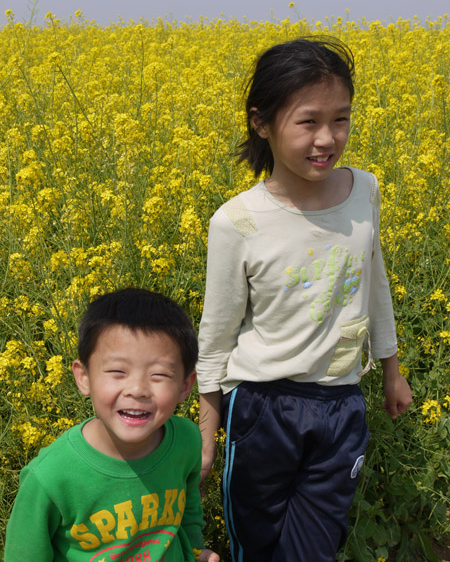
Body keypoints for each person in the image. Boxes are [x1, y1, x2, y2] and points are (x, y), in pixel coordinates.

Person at [196, 37, 412, 562]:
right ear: (261, 123)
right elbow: (217, 333)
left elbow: (373, 279)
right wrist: (208, 433)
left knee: (317, 547)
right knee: (260, 547)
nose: (328, 138)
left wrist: (392, 367)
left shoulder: (365, 190)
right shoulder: (237, 222)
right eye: (308, 121)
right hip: (262, 406)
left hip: (341, 402)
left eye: (341, 119)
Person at [5, 287, 219, 562]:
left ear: (185, 386)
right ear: (84, 377)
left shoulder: (186, 440)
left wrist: (195, 551)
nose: (138, 389)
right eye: (118, 371)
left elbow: (188, 505)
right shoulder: (50, 478)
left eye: (159, 374)